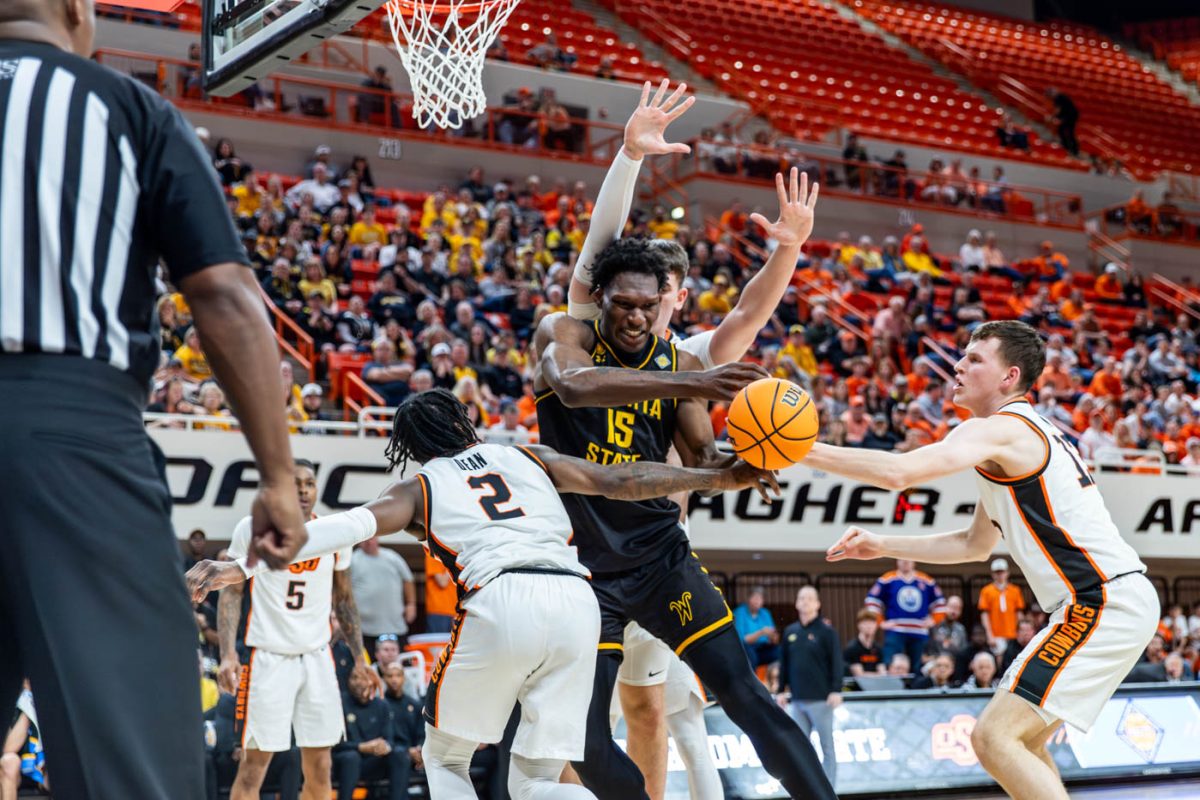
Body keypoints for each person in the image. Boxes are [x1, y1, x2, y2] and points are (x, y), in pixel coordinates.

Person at [0, 5, 309, 798]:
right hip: (68, 427)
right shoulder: (125, 107)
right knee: (133, 760)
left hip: (64, 423)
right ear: (76, 11)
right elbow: (226, 295)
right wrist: (277, 474)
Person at [190, 389, 774, 800]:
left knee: (446, 757)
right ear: (462, 424)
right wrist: (717, 476)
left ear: (411, 445)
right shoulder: (527, 455)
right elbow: (623, 478)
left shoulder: (421, 484)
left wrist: (242, 565)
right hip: (577, 602)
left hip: (502, 596)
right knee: (536, 778)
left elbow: (347, 526)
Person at [564, 79, 822, 800]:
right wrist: (627, 158)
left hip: (657, 555)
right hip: (582, 556)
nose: (657, 298)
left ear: (676, 296)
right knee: (573, 724)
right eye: (647, 286)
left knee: (652, 708)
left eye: (670, 288)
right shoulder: (591, 329)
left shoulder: (690, 359)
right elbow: (594, 253)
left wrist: (789, 250)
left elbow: (749, 311)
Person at [812, 320, 1159, 800]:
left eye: (975, 359)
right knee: (1022, 742)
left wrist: (798, 449)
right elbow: (973, 545)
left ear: (1009, 377)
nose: (958, 364)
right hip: (1107, 600)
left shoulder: (1002, 430)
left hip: (1101, 601)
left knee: (993, 737)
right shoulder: (1007, 443)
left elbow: (899, 471)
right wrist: (883, 544)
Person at [538, 241, 832, 799]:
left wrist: (750, 460)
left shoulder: (680, 362)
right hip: (582, 572)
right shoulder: (565, 334)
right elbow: (574, 387)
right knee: (585, 739)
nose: (637, 317)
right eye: (624, 303)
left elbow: (704, 461)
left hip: (660, 558)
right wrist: (689, 385)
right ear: (598, 297)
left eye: (649, 306)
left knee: (746, 694)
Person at [216, 460, 370, 800]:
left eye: (309, 483)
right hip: (268, 658)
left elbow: (343, 598)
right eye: (295, 483)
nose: (302, 489)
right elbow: (231, 592)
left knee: (321, 766)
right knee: (254, 765)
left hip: (317, 657)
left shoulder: (334, 531)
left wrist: (361, 658)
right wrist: (227, 655)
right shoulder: (252, 527)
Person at [777, 587, 842, 786]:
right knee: (801, 748)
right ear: (796, 603)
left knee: (827, 747)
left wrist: (836, 690)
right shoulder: (790, 632)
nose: (805, 602)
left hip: (821, 699)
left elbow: (836, 662)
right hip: (797, 700)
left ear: (817, 604)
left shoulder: (827, 632)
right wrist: (781, 690)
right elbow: (784, 663)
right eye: (801, 598)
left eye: (809, 599)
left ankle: (829, 789)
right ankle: (806, 788)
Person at [333, 669, 408, 800]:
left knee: (400, 754)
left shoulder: (382, 704)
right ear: (348, 681)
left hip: (374, 760)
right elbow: (335, 744)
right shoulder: (339, 703)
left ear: (373, 681)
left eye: (364, 678)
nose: (359, 683)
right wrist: (361, 747)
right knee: (351, 757)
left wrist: (385, 746)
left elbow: (390, 738)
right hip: (346, 761)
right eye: (355, 678)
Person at [864, 560, 947, 668]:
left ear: (914, 561)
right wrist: (881, 622)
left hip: (919, 631)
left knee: (919, 667)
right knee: (890, 664)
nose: (905, 561)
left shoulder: (926, 580)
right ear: (897, 561)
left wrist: (934, 620)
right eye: (901, 558)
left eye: (908, 558)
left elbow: (940, 603)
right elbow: (871, 600)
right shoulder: (887, 579)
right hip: (895, 631)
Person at [351, 535, 417, 653]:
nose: (368, 542)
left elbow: (408, 579)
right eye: (364, 539)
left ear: (377, 538)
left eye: (371, 538)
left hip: (394, 625)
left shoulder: (392, 557)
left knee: (400, 664)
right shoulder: (353, 560)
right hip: (365, 629)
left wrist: (411, 604)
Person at [979, 557, 1026, 654]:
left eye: (1002, 572)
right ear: (993, 574)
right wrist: (989, 635)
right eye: (997, 572)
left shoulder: (1015, 590)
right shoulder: (986, 591)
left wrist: (1020, 632)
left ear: (1007, 573)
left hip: (1013, 634)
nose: (1000, 575)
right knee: (999, 661)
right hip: (996, 634)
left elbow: (1019, 613)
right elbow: (984, 614)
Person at [734, 587, 780, 669]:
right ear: (748, 599)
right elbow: (743, 640)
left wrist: (773, 637)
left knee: (779, 651)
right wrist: (761, 632)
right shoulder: (740, 612)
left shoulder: (765, 613)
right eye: (755, 598)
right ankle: (753, 681)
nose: (757, 601)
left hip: (762, 648)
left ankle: (776, 680)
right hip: (745, 650)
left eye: (760, 598)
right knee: (750, 654)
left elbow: (774, 640)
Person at [843, 609, 885, 677]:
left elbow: (883, 672)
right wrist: (878, 675)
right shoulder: (853, 648)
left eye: (872, 623)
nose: (869, 626)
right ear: (859, 625)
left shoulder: (878, 649)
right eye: (866, 623)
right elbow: (860, 675)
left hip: (875, 686)